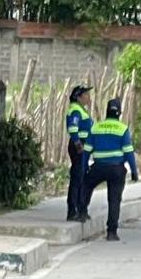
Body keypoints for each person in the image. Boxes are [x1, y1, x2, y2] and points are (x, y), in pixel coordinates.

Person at [83, 98, 139, 241]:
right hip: (116, 169)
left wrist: (84, 168)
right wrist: (134, 171)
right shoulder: (122, 129)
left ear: (106, 112)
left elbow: (87, 150)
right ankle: (111, 232)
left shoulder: (96, 127)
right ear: (119, 113)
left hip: (99, 167)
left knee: (86, 186)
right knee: (114, 200)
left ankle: (82, 211)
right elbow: (128, 152)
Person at [65, 85, 93, 222]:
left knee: (82, 178)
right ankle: (73, 210)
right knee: (77, 178)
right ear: (79, 97)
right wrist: (78, 144)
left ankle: (81, 209)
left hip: (83, 145)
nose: (89, 97)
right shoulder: (76, 110)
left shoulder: (81, 110)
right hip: (79, 146)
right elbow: (73, 128)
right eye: (86, 95)